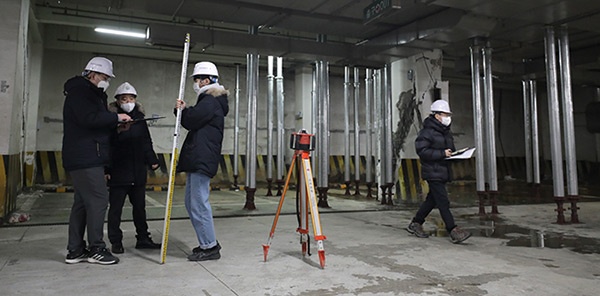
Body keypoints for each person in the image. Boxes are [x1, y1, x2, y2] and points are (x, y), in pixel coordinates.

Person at [62, 57, 131, 264]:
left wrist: (115, 126)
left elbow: (93, 122)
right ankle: (96, 249)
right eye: (104, 77)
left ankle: (75, 250)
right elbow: (88, 119)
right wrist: (116, 118)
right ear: (92, 74)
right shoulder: (82, 93)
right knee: (99, 200)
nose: (106, 81)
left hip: (85, 153)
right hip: (86, 155)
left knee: (82, 203)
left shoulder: (90, 93)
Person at [175, 61, 229, 261]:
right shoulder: (209, 101)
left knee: (198, 203)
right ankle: (207, 242)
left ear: (206, 80)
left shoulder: (209, 101)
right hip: (199, 157)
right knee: (192, 202)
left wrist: (182, 110)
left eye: (197, 79)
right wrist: (187, 109)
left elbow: (190, 120)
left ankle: (210, 246)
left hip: (201, 158)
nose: (195, 83)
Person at [406, 99, 472, 244]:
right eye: (445, 114)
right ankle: (453, 230)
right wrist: (442, 153)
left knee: (432, 200)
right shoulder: (427, 132)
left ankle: (416, 223)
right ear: (437, 115)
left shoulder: (445, 133)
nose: (448, 117)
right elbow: (422, 151)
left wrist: (458, 155)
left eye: (449, 114)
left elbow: (449, 152)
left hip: (443, 170)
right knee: (443, 201)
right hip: (433, 171)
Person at [106, 82, 161, 254]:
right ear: (118, 101)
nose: (128, 101)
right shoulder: (110, 119)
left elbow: (146, 142)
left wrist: (152, 159)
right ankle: (116, 241)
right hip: (118, 172)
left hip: (138, 171)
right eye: (124, 99)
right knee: (116, 209)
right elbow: (106, 145)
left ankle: (143, 238)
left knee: (139, 208)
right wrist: (106, 169)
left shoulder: (140, 119)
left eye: (131, 98)